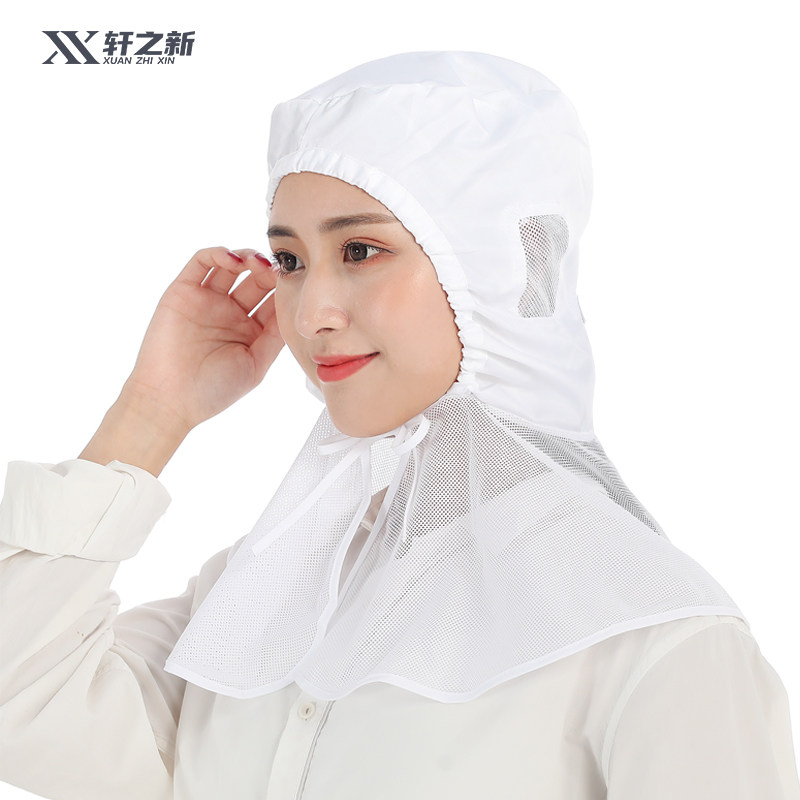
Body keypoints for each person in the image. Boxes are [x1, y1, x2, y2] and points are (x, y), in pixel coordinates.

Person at [1, 50, 799, 800]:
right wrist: (152, 411)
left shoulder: (649, 636)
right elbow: (20, 705)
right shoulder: (267, 585)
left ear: (501, 267)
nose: (310, 314)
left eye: (360, 250)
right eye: (291, 261)